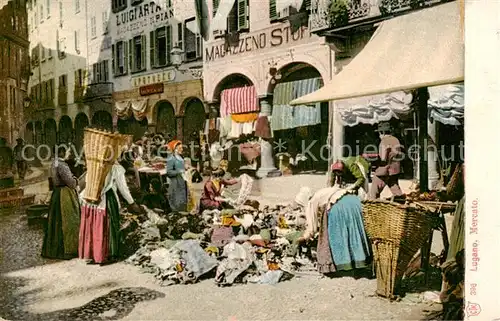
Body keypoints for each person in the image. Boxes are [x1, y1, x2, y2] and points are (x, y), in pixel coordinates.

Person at [299, 161, 371, 274]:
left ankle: (343, 265)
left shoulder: (312, 202)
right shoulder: (327, 190)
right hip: (355, 202)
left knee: (338, 233)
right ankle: (361, 262)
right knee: (353, 232)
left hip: (340, 206)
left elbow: (312, 226)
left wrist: (304, 237)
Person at [79, 155, 142, 264]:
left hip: (91, 198)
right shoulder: (115, 168)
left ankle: (94, 254)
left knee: (94, 225)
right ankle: (107, 254)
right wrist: (132, 203)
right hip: (107, 198)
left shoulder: (95, 163)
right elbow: (123, 188)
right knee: (108, 225)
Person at [41, 145, 81, 260]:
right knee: (69, 221)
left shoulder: (54, 163)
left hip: (57, 194)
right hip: (65, 195)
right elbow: (71, 183)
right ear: (62, 152)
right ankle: (68, 250)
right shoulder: (62, 165)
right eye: (68, 151)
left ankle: (54, 249)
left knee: (56, 222)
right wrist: (76, 180)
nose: (69, 153)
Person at [369, 122, 404, 199]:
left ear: (383, 132)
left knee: (374, 191)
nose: (379, 135)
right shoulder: (396, 140)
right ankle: (401, 204)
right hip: (395, 170)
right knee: (395, 189)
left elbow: (383, 158)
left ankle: (373, 206)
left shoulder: (384, 141)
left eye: (379, 133)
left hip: (384, 170)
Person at [166, 140, 188, 212]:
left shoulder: (180, 157)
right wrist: (179, 171)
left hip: (181, 180)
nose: (182, 149)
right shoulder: (171, 158)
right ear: (175, 149)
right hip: (175, 182)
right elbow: (169, 172)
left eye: (182, 148)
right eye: (180, 148)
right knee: (176, 199)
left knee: (182, 199)